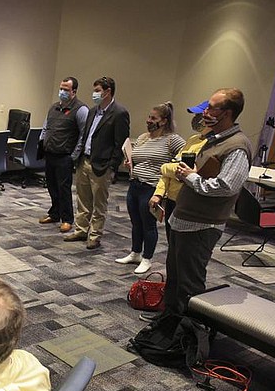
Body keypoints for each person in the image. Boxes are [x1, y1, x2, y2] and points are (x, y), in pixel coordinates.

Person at [162, 88, 252, 316]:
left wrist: (190, 177)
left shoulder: (237, 146)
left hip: (202, 225)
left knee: (189, 285)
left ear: (228, 113)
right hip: (184, 219)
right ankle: (169, 326)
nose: (206, 111)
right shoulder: (213, 140)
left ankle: (190, 337)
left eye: (212, 107)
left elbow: (225, 186)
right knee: (175, 278)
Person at [116, 102, 185, 274]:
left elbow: (184, 159)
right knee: (135, 222)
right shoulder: (143, 138)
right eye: (149, 117)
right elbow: (137, 158)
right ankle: (135, 253)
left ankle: (147, 258)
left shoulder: (172, 140)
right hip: (135, 184)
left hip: (152, 187)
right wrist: (129, 163)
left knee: (148, 224)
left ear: (164, 121)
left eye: (153, 118)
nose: (149, 121)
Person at [64, 76, 130, 249]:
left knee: (98, 203)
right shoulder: (93, 111)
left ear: (108, 92)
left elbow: (120, 144)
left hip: (102, 166)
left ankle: (94, 235)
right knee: (82, 199)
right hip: (84, 161)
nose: (94, 94)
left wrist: (112, 167)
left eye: (97, 91)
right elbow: (85, 135)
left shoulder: (119, 113)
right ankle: (81, 230)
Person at [150, 105, 210, 241]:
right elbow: (171, 169)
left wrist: (166, 167)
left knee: (181, 244)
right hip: (171, 199)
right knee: (171, 240)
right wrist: (159, 193)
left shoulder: (210, 145)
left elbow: (181, 170)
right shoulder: (193, 139)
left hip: (186, 201)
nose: (196, 120)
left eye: (199, 116)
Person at [39, 76, 89, 233]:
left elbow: (83, 134)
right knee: (52, 186)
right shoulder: (54, 107)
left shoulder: (81, 110)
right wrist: (42, 140)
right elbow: (46, 127)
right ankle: (55, 213)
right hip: (50, 153)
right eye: (61, 89)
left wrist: (73, 156)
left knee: (64, 189)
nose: (62, 92)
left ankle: (67, 219)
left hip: (65, 156)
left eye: (66, 90)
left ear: (74, 91)